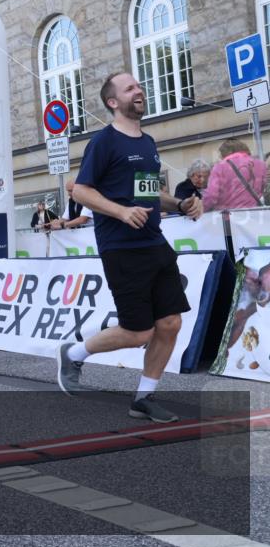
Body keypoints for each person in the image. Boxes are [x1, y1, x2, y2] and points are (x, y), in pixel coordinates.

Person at [56, 72, 203, 423]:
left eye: (139, 84)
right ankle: (73, 353)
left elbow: (148, 192)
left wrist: (180, 205)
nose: (139, 90)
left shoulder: (148, 142)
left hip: (155, 243)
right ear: (113, 102)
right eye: (130, 88)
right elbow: (81, 191)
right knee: (139, 331)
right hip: (121, 248)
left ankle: (144, 398)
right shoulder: (103, 142)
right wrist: (122, 212)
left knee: (169, 324)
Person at [203, 139, 267, 211]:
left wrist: (199, 209)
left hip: (229, 217)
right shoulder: (261, 164)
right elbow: (262, 190)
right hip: (255, 214)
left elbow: (211, 196)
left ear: (225, 153)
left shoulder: (220, 167)